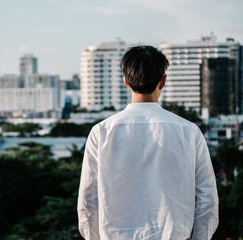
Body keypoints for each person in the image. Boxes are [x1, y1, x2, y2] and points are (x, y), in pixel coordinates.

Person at [77, 46, 218, 239]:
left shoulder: (101, 132)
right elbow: (207, 199)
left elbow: (88, 202)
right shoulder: (189, 131)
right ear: (163, 81)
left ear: (126, 82)